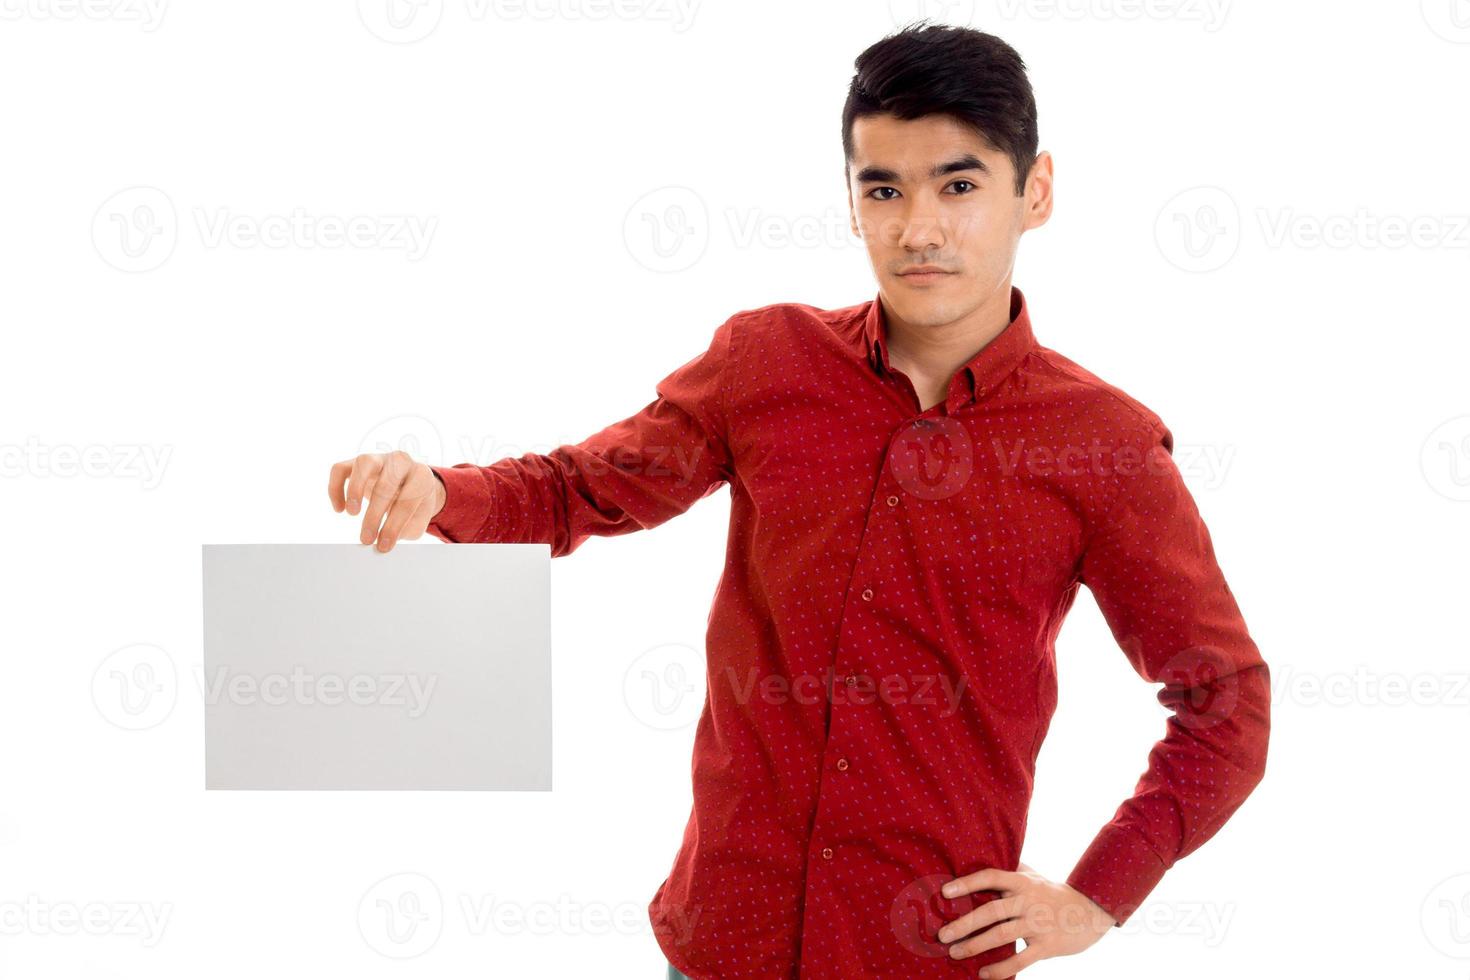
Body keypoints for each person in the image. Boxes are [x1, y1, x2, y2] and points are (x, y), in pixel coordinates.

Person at [326, 22, 1271, 980]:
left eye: (960, 184)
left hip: (924, 959)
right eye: (884, 189)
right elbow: (586, 489)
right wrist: (441, 492)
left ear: (1036, 192)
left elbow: (1226, 700)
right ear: (853, 202)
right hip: (722, 940)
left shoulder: (1104, 446)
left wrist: (1098, 896)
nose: (920, 228)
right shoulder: (764, 362)